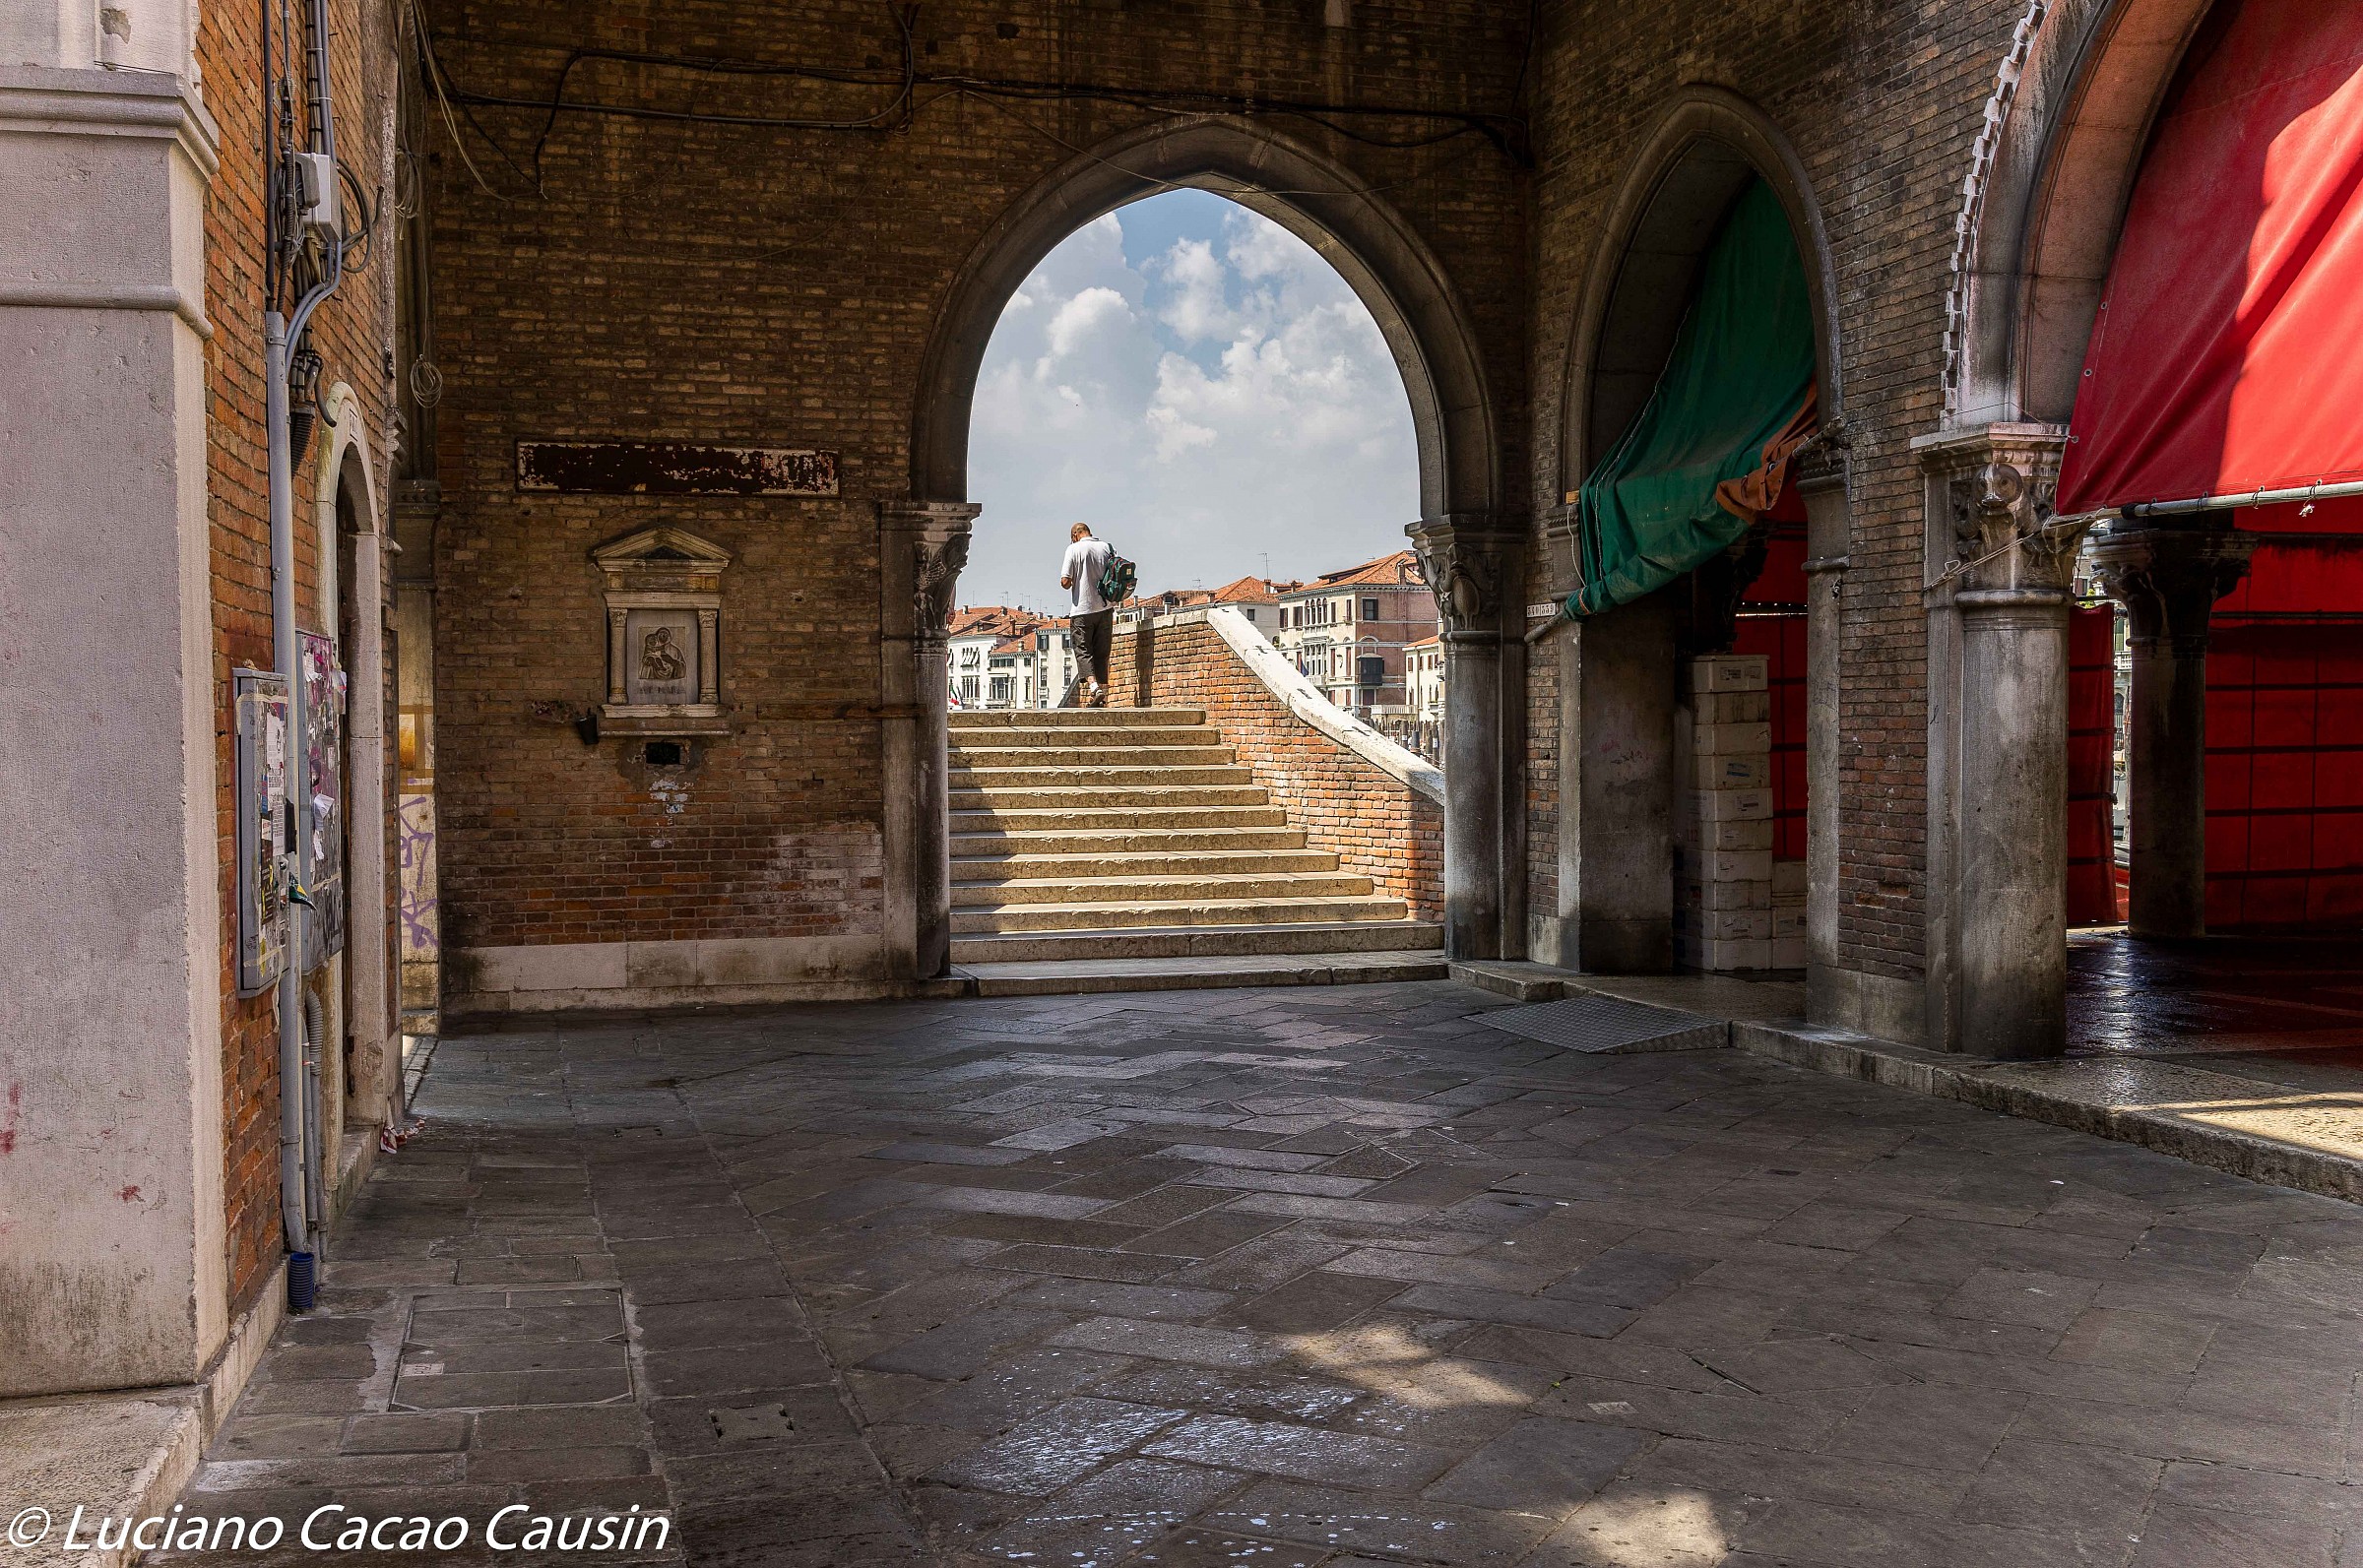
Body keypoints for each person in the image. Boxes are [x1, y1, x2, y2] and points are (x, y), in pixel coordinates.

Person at [1059, 523, 1115, 707]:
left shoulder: (1073, 549)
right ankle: (1101, 696)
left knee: (1083, 651)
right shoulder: (1106, 547)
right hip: (1106, 608)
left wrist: (1076, 578)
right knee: (1101, 651)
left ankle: (1094, 688)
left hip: (1082, 610)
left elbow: (1065, 581)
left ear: (1075, 535)